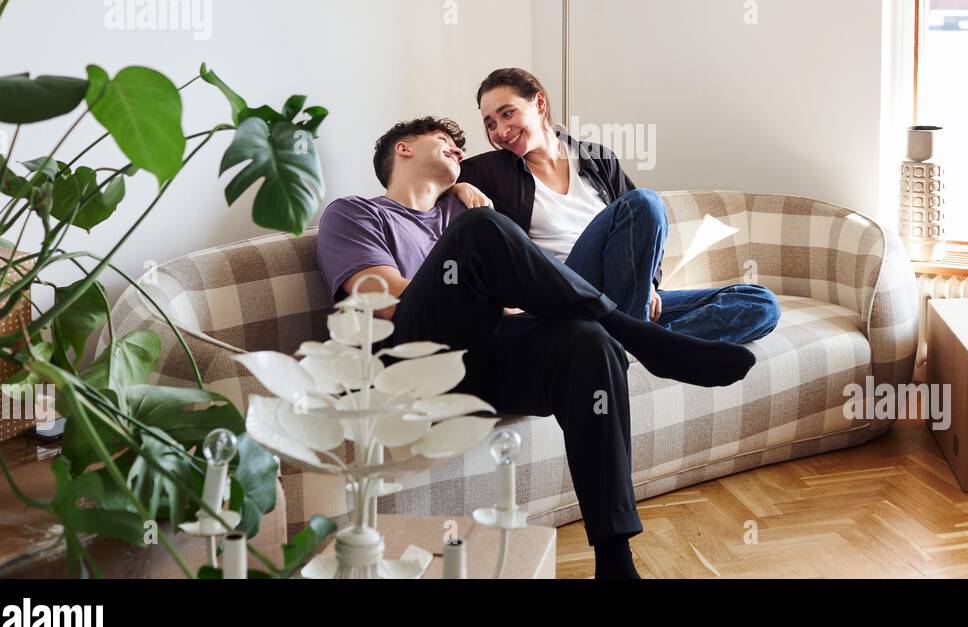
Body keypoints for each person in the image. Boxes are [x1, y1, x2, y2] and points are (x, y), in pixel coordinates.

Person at [315, 116, 757, 579]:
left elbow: (509, 304)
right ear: (403, 149)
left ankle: (615, 559)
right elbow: (378, 298)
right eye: (445, 142)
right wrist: (467, 274)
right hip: (414, 358)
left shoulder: (461, 211)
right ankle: (633, 331)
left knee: (588, 343)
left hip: (484, 362)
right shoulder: (355, 212)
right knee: (482, 231)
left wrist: (468, 216)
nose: (458, 151)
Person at [459, 68, 781, 344]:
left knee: (760, 304)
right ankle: (634, 335)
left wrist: (648, 285)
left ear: (539, 102)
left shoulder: (597, 159)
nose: (500, 131)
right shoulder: (491, 171)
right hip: (563, 294)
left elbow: (641, 232)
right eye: (489, 124)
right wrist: (460, 186)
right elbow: (432, 177)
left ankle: (630, 342)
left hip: (618, 300)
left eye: (507, 113)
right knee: (643, 202)